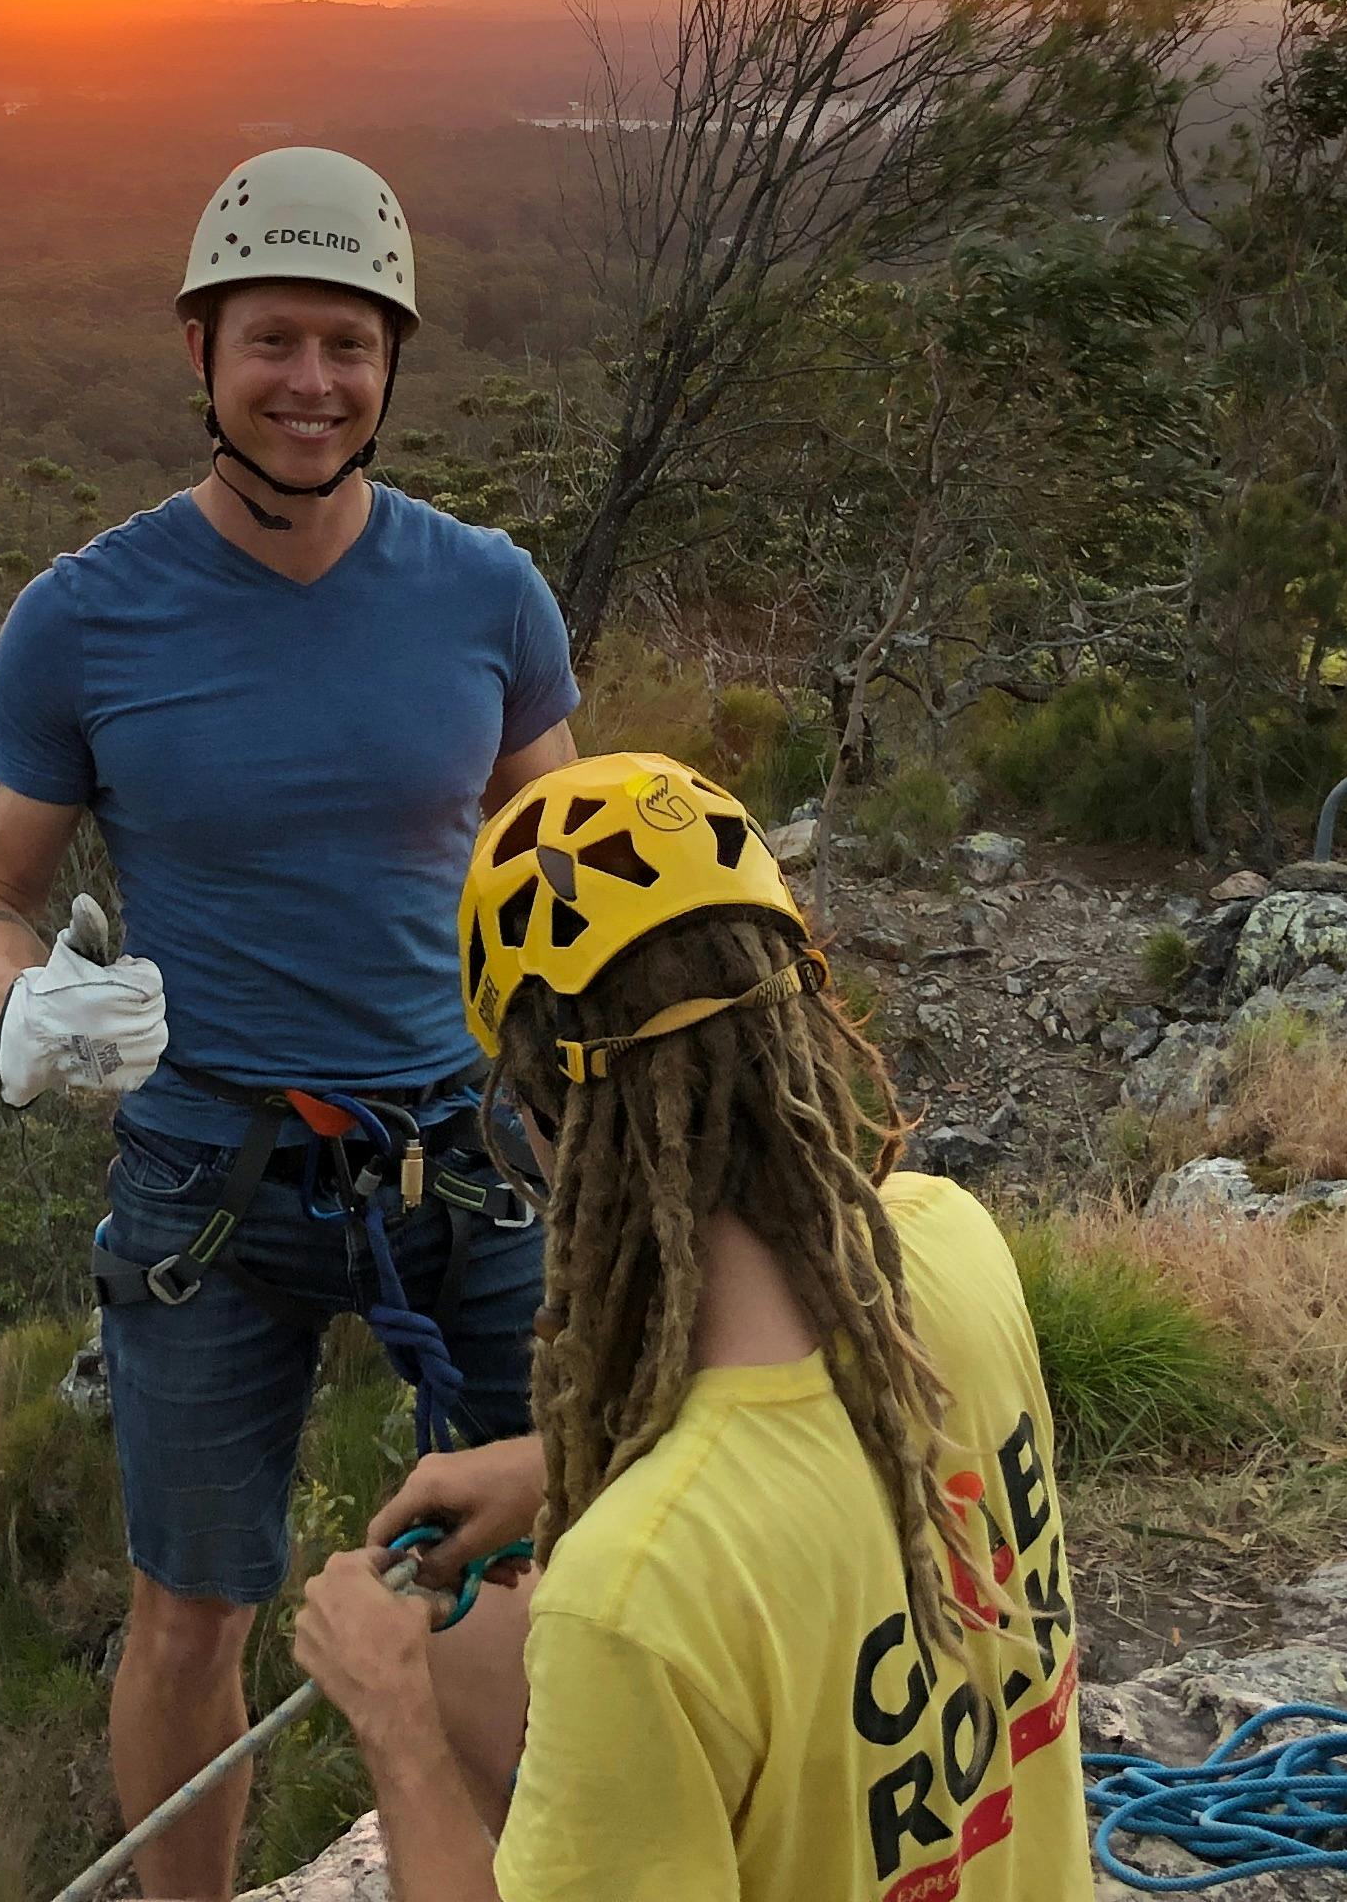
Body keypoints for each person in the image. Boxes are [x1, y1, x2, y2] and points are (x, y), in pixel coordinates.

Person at [0, 146, 581, 1902]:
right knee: (189, 1604)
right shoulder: (85, 615)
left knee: (531, 1557)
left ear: (392, 364)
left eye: (350, 344)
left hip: (462, 1155)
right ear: (202, 349)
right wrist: (25, 1007)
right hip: (211, 1175)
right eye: (274, 340)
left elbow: (565, 865)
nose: (312, 381)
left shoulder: (486, 594)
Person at [287, 751, 1090, 1902]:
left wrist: (391, 1714)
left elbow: (710, 1534)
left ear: (540, 1126)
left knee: (454, 1663)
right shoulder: (952, 1243)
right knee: (484, 1649)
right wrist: (556, 1466)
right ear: (800, 1019)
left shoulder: (635, 1599)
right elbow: (804, 1456)